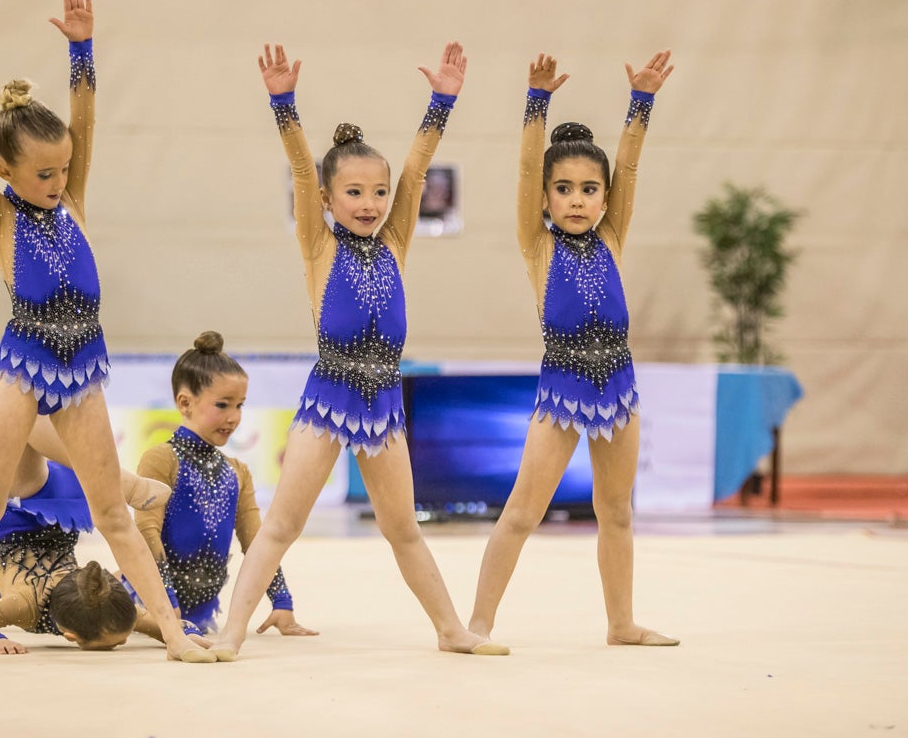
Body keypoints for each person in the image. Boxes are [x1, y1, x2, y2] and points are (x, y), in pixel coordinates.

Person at [0, 0, 212, 666]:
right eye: (43, 173)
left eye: (64, 170)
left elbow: (87, 123)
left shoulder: (71, 200)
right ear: (6, 172)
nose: (57, 181)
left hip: (82, 369)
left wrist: (82, 48)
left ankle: (172, 630)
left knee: (114, 513)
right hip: (22, 365)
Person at [209, 43, 507, 661]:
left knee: (403, 529)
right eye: (354, 193)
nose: (370, 203)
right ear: (327, 199)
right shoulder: (318, 243)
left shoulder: (395, 239)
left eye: (378, 192)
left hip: (384, 402)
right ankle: (231, 633)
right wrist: (283, 104)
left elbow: (419, 171)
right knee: (283, 526)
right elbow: (299, 169)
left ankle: (451, 629)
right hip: (330, 396)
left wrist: (442, 103)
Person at [468, 51, 679, 647]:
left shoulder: (613, 235)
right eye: (563, 189)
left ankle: (621, 624)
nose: (578, 199)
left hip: (618, 386)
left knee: (616, 512)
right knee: (522, 512)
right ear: (544, 199)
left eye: (590, 189)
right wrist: (536, 103)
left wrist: (642, 103)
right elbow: (524, 169)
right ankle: (477, 624)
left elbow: (631, 170)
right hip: (561, 386)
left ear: (606, 199)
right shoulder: (537, 244)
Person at [128, 331, 317, 639]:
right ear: (185, 402)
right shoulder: (161, 458)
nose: (234, 417)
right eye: (223, 405)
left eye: (240, 405)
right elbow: (146, 535)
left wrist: (282, 601)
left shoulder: (237, 472)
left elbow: (258, 542)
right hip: (145, 602)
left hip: (200, 616)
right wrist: (165, 605)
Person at [0, 419, 185, 656]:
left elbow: (173, 626)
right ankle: (119, 481)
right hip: (32, 511)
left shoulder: (103, 613)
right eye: (116, 644)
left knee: (25, 419)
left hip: (38, 517)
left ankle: (111, 477)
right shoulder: (27, 604)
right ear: (72, 636)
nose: (125, 641)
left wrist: (186, 636)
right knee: (27, 422)